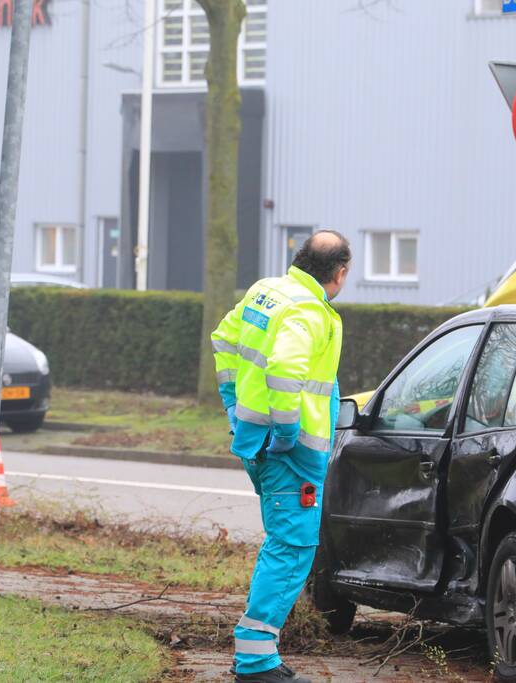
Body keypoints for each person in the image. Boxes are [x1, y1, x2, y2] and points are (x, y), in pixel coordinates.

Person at [211, 231, 350, 683]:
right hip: (290, 453)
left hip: (256, 441)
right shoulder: (311, 310)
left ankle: (258, 656)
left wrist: (234, 404)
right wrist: (288, 433)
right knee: (291, 548)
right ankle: (254, 663)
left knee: (282, 542)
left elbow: (224, 340)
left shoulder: (266, 291)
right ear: (340, 272)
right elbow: (286, 369)